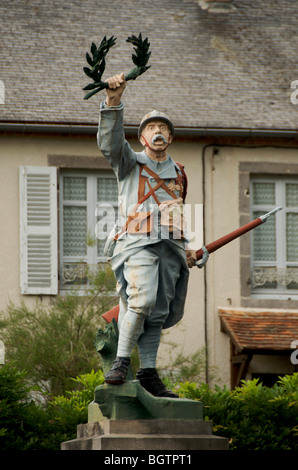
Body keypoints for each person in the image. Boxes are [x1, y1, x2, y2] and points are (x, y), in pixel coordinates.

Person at [97, 72, 197, 398]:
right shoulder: (129, 162)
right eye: (152, 128)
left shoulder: (180, 172)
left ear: (171, 137)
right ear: (142, 137)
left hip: (170, 247)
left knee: (158, 313)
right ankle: (121, 362)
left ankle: (149, 372)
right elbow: (111, 144)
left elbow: (179, 214)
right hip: (136, 241)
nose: (158, 132)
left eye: (163, 129)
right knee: (140, 301)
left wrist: (190, 249)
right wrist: (113, 101)